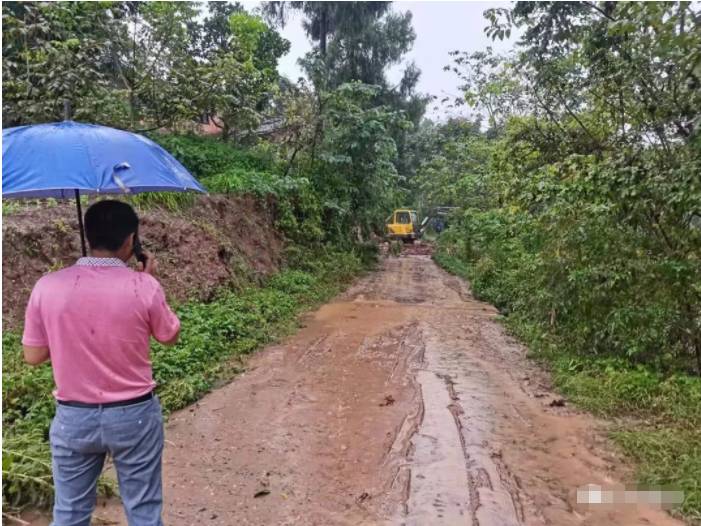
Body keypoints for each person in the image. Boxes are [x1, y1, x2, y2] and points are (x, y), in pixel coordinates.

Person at [22, 200, 180, 526]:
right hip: (134, 416)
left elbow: (33, 356)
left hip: (73, 419)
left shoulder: (47, 286)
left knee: (69, 515)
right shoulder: (143, 286)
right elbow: (168, 336)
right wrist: (151, 281)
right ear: (130, 240)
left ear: (89, 236)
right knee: (144, 512)